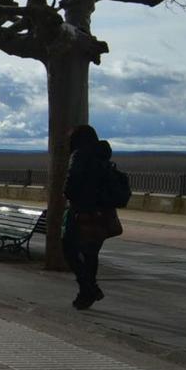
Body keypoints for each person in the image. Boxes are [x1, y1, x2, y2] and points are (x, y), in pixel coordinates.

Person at [62, 125, 111, 310]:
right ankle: (87, 292)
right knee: (91, 254)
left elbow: (72, 182)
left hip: (81, 211)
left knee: (68, 248)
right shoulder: (103, 154)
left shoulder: (80, 155)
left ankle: (88, 288)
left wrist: (69, 196)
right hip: (102, 212)